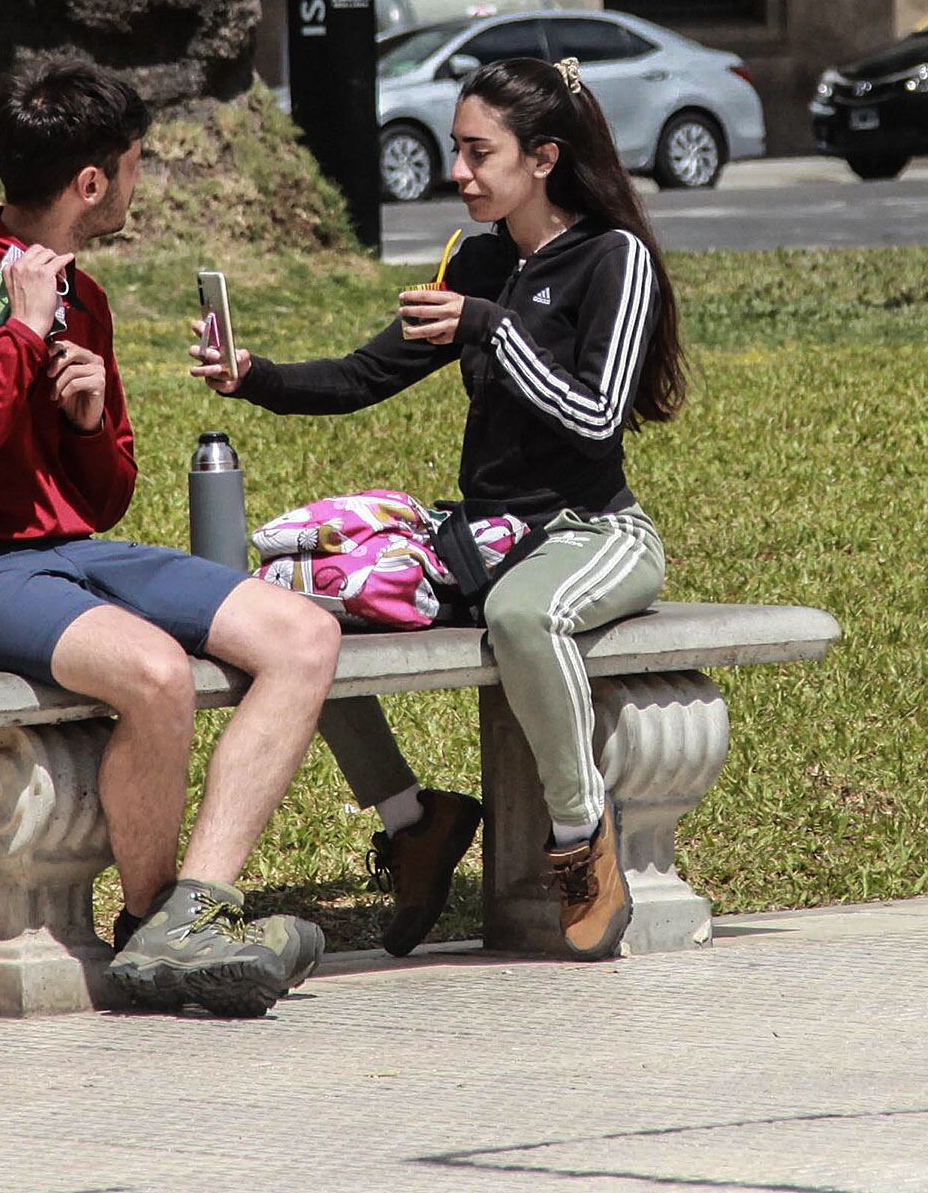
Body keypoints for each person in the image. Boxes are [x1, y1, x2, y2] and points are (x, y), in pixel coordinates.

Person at [0, 57, 344, 1017]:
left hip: (72, 555)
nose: (138, 181)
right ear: (92, 183)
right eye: (133, 165)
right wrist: (18, 344)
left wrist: (88, 420)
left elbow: (108, 497)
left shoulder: (86, 298)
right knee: (157, 672)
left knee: (304, 635)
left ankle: (190, 915)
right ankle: (149, 917)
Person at [192, 55, 687, 961]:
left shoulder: (614, 261)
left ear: (542, 158)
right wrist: (251, 375)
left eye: (476, 153)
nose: (457, 173)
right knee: (293, 606)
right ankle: (412, 820)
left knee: (523, 614)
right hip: (483, 535)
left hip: (592, 531)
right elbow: (363, 375)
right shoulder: (479, 259)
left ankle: (582, 842)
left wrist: (489, 327)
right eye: (458, 151)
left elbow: (595, 416)